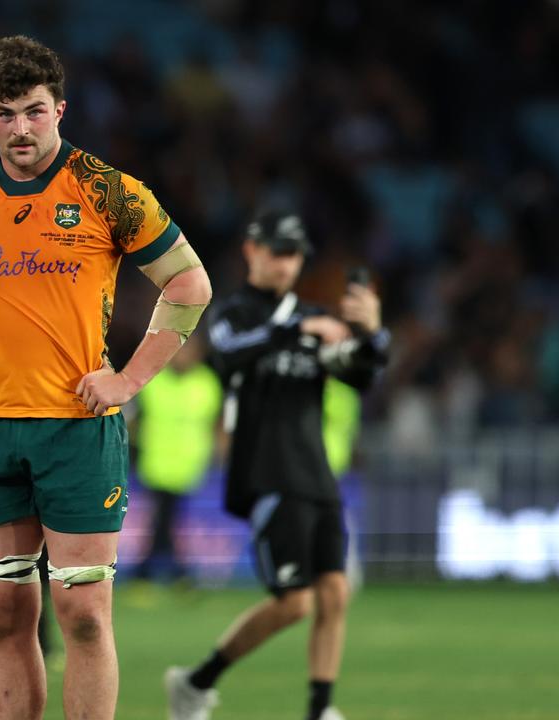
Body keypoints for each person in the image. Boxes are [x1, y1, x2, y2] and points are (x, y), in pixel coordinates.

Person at [0, 35, 213, 720]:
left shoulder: (107, 191)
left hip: (78, 430)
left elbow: (190, 282)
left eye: (33, 111)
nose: (20, 128)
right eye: (5, 113)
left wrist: (131, 379)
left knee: (82, 611)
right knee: (2, 614)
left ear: (61, 110)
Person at [164, 210, 390, 720]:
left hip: (315, 471)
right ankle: (196, 682)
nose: (285, 263)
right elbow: (229, 355)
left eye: (293, 254)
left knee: (334, 592)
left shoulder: (312, 318)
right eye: (276, 251)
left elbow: (358, 374)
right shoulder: (235, 313)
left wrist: (373, 336)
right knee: (294, 601)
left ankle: (320, 708)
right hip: (265, 470)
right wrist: (299, 329)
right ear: (252, 251)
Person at [131, 339, 222, 584]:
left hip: (190, 465)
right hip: (156, 463)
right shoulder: (153, 380)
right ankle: (169, 572)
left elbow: (214, 423)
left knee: (170, 520)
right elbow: (134, 420)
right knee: (163, 518)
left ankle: (158, 571)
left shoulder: (207, 383)